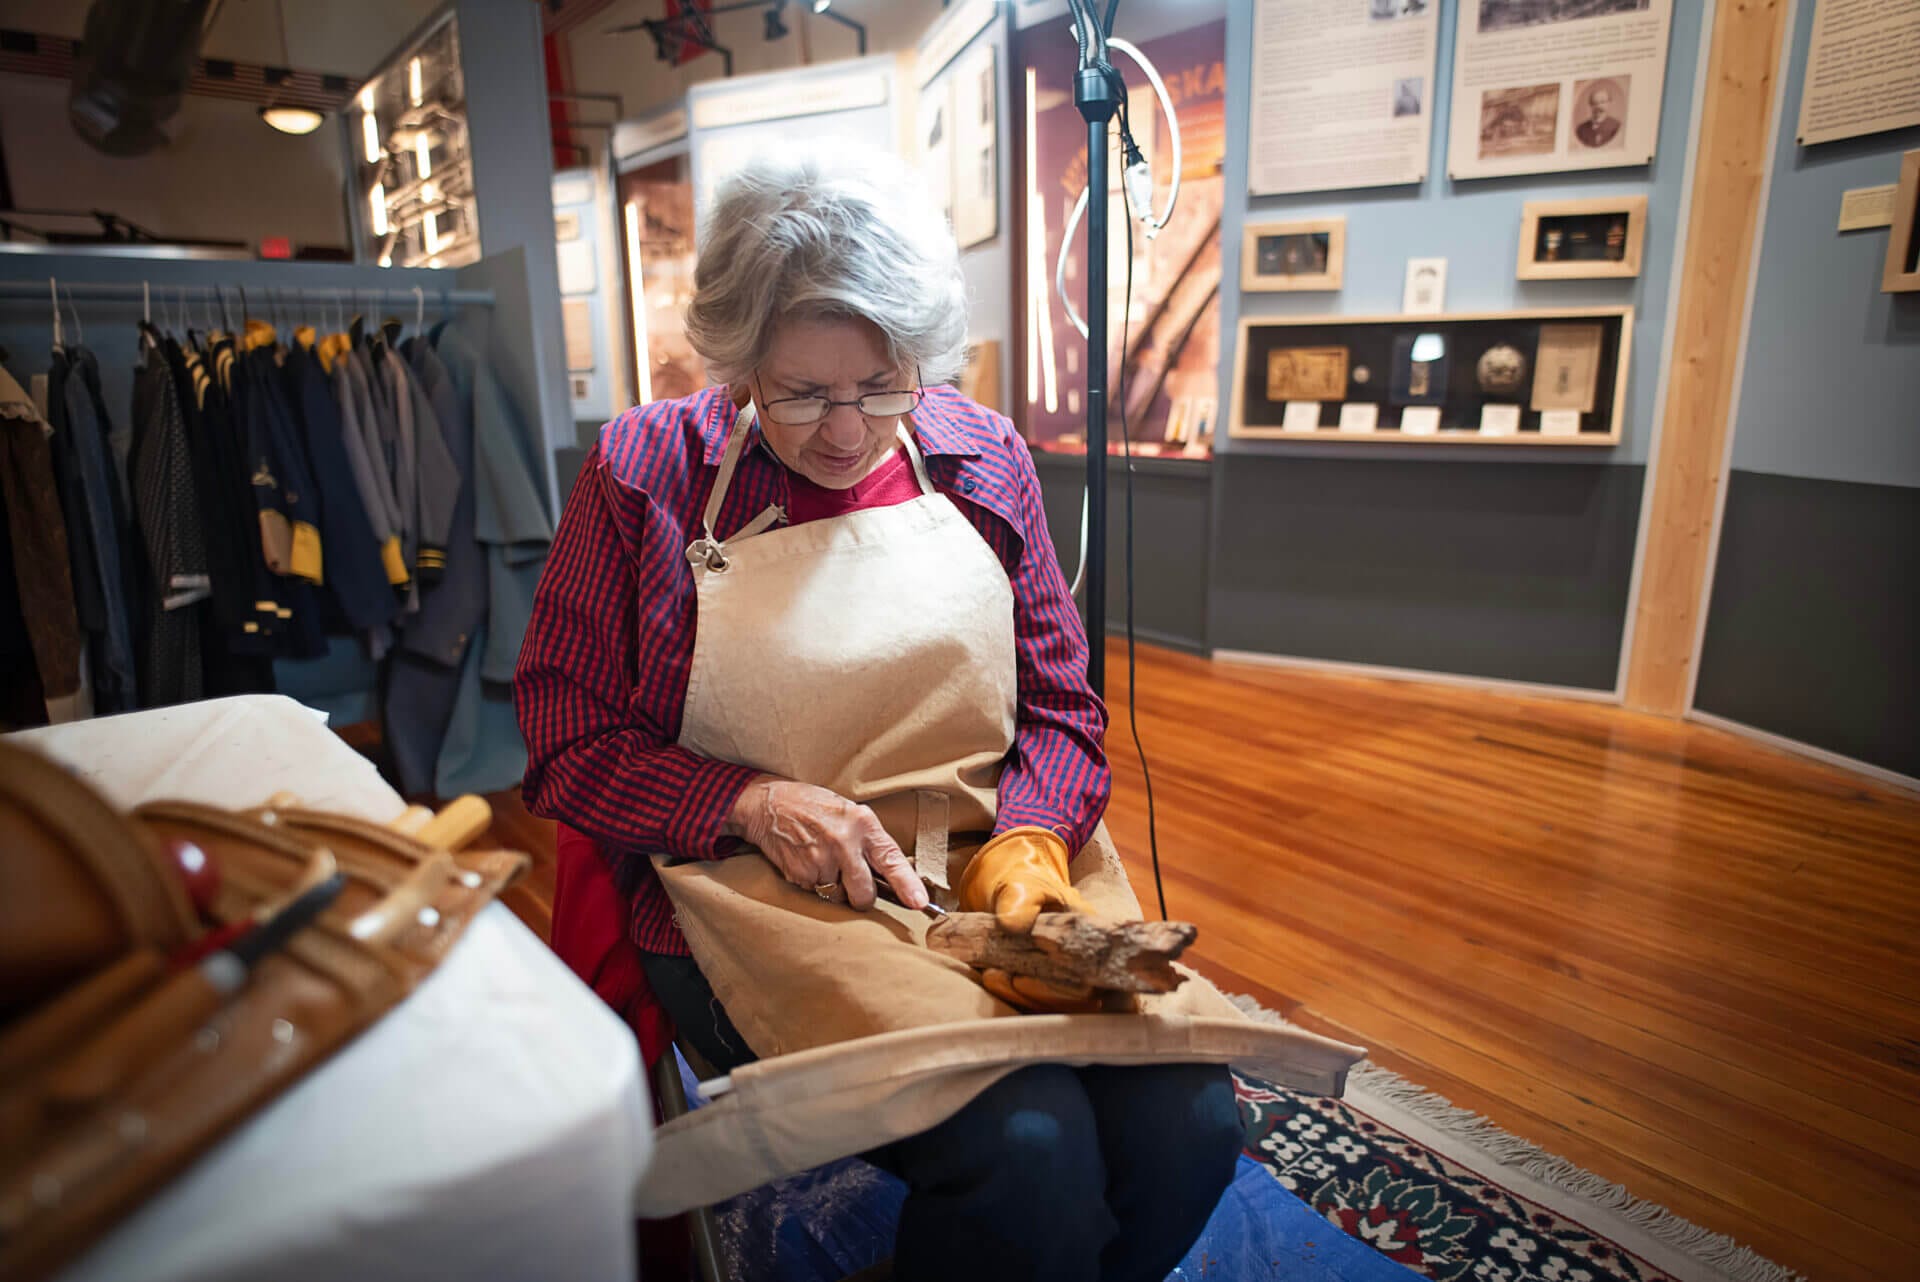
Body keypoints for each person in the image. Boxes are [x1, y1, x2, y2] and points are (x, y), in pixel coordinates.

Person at [514, 148, 1242, 1282]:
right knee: (1028, 1147)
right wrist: (749, 802)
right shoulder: (647, 473)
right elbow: (566, 740)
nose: (847, 432)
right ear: (738, 361)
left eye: (882, 384)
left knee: (1192, 1121)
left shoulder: (980, 455)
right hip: (759, 897)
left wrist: (1031, 841)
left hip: (982, 866)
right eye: (802, 393)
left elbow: (1061, 702)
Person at [1576, 83, 1622, 148]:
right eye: (1594, 103)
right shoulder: (1581, 129)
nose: (1598, 106)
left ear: (1609, 103)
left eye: (1602, 102)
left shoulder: (1616, 126)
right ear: (1590, 105)